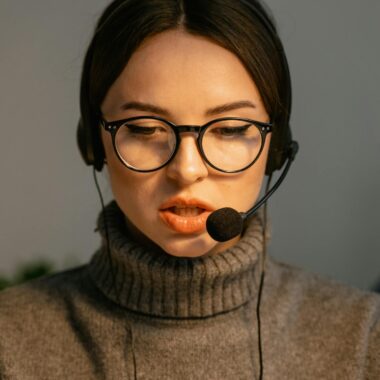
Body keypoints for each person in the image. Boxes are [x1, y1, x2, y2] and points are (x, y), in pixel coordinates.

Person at [0, 0, 379, 379]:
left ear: (276, 147)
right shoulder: (9, 342)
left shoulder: (364, 338)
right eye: (145, 129)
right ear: (94, 144)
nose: (187, 170)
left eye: (230, 129)